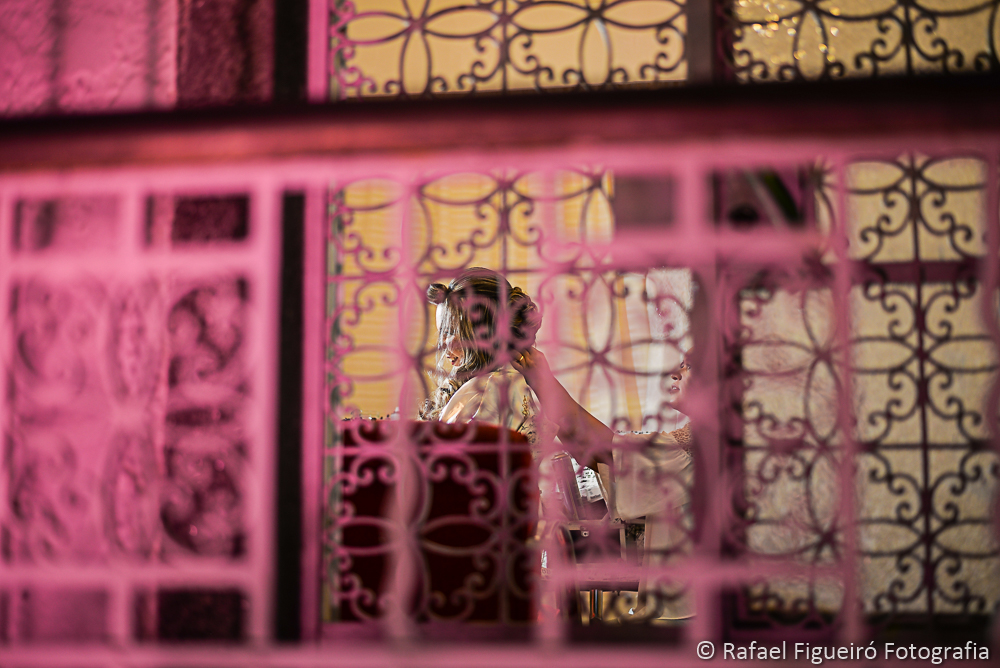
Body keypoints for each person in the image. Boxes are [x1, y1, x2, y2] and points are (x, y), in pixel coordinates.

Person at [513, 346, 694, 620]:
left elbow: (600, 450)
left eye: (688, 366)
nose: (675, 373)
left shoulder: (699, 444)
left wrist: (543, 381)